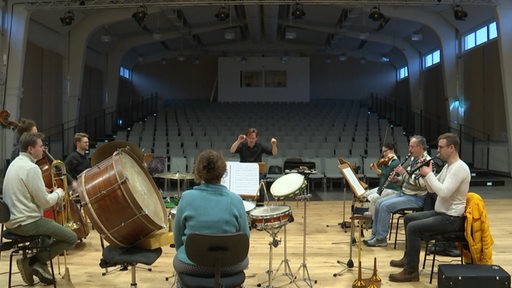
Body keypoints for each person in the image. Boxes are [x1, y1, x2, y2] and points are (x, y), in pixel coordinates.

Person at [388, 132, 470, 282]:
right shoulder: (448, 167)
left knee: (413, 227)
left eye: (441, 147)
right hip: (441, 213)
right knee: (409, 219)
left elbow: (444, 193)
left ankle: (411, 272)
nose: (438, 151)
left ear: (451, 148)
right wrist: (426, 174)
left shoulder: (460, 168)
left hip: (451, 218)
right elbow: (432, 190)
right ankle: (408, 259)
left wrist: (429, 174)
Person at [3, 132, 78, 285]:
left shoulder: (15, 163)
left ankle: (39, 265)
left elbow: (26, 193)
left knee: (48, 232)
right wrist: (59, 193)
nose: (43, 149)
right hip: (26, 223)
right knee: (71, 237)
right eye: (40, 146)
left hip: (12, 221)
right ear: (31, 149)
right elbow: (44, 203)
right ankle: (33, 261)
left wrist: (46, 192)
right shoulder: (32, 168)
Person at [173, 149, 250, 279]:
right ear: (223, 172)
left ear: (198, 172)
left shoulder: (186, 198)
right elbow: (244, 240)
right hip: (230, 265)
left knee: (178, 260)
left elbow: (178, 239)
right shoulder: (236, 200)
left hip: (192, 264)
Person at [364, 135, 430, 247]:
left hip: (416, 197)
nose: (409, 150)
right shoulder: (414, 159)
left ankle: (381, 239)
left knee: (385, 206)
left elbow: (422, 184)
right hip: (405, 193)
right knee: (379, 202)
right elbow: (406, 180)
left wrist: (403, 173)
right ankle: (375, 234)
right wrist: (396, 179)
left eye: (411, 147)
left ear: (419, 147)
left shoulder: (426, 161)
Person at [230, 128, 278, 204]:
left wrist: (274, 145)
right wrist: (238, 141)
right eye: (249, 138)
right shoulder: (242, 145)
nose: (251, 140)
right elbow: (232, 150)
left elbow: (274, 153)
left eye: (253, 138)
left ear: (256, 138)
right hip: (244, 173)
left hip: (257, 173)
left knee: (261, 186)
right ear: (246, 138)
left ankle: (260, 205)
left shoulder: (260, 146)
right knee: (240, 187)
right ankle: (242, 205)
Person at [362, 143, 401, 216]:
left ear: (392, 150)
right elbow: (380, 174)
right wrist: (376, 168)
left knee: (371, 198)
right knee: (366, 194)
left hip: (392, 189)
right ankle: (367, 218)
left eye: (386, 151)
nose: (384, 154)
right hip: (384, 188)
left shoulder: (395, 162)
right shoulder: (386, 162)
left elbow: (386, 175)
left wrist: (376, 168)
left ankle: (373, 220)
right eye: (383, 152)